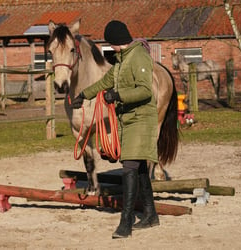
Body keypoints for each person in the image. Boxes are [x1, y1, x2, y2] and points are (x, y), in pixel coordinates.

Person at [72, 20, 159, 239]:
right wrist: (84, 95)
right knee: (138, 168)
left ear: (118, 41)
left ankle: (126, 221)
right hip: (127, 119)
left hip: (141, 119)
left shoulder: (139, 57)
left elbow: (145, 90)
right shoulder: (121, 61)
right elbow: (105, 82)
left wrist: (118, 96)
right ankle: (150, 214)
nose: (111, 47)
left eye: (112, 43)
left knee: (129, 165)